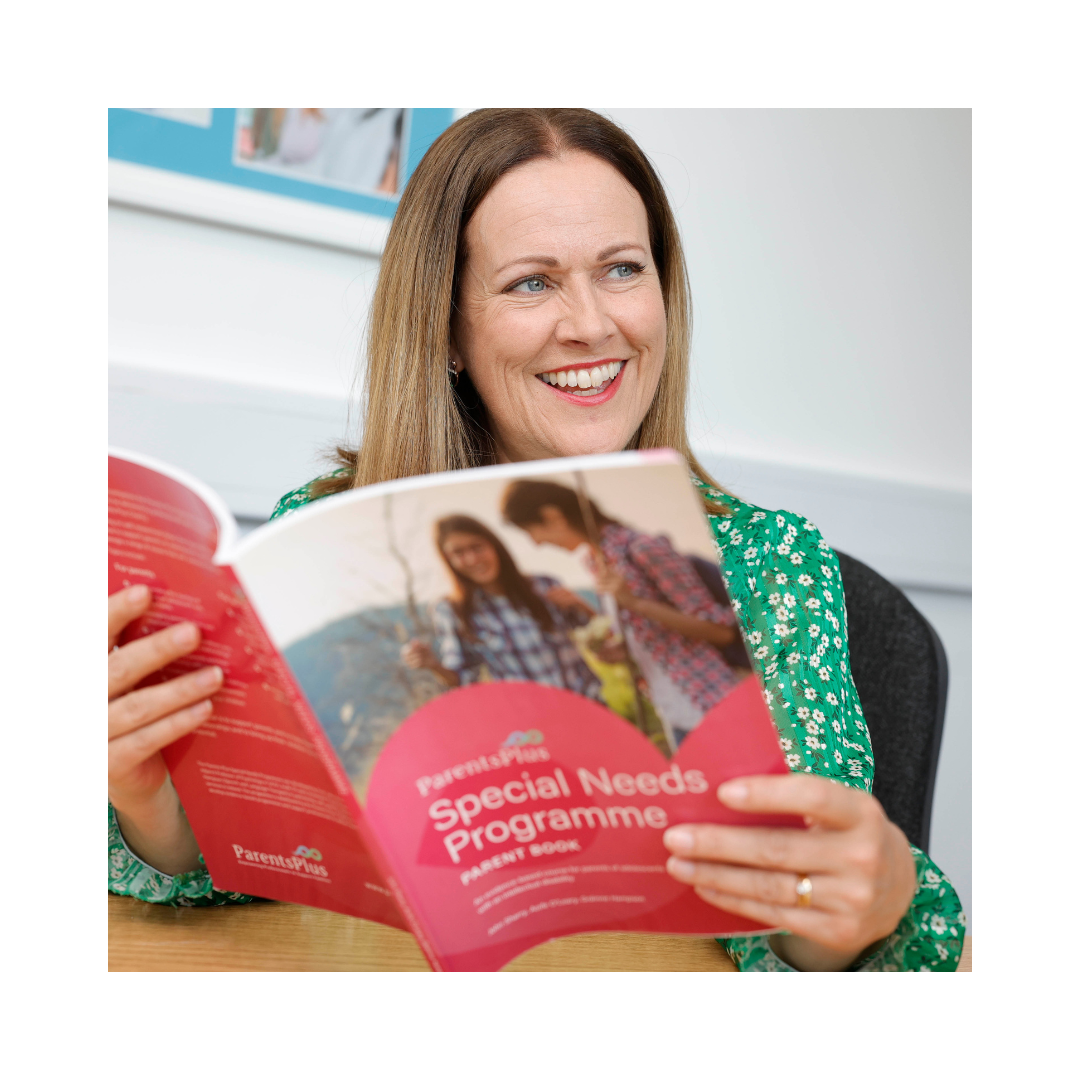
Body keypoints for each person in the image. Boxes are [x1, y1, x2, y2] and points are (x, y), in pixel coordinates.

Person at [108, 108, 964, 970]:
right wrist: (150, 802)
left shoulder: (770, 570)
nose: (592, 324)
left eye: (622, 270)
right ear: (447, 328)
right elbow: (244, 863)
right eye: (531, 283)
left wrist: (861, 904)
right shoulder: (320, 543)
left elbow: (806, 939)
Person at [501, 479, 743, 747]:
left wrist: (636, 603)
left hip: (712, 703)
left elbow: (720, 632)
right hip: (673, 712)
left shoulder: (641, 548)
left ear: (552, 516)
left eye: (530, 531)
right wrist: (620, 652)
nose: (535, 543)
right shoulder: (596, 561)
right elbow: (657, 640)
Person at [400, 514, 601, 699]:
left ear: (494, 546)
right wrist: (433, 665)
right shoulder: (452, 611)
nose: (472, 559)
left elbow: (601, 636)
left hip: (586, 705)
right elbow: (461, 679)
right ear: (448, 560)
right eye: (458, 553)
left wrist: (581, 605)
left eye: (477, 547)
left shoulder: (543, 586)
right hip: (532, 722)